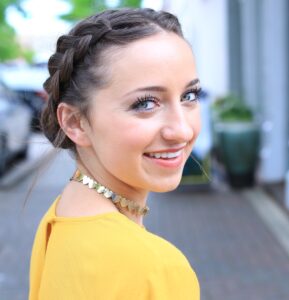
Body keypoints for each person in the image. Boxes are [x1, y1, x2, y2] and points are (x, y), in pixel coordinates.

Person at [29, 7, 201, 300]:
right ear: (74, 122)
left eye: (189, 96)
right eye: (146, 103)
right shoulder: (155, 267)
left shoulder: (61, 217)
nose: (182, 131)